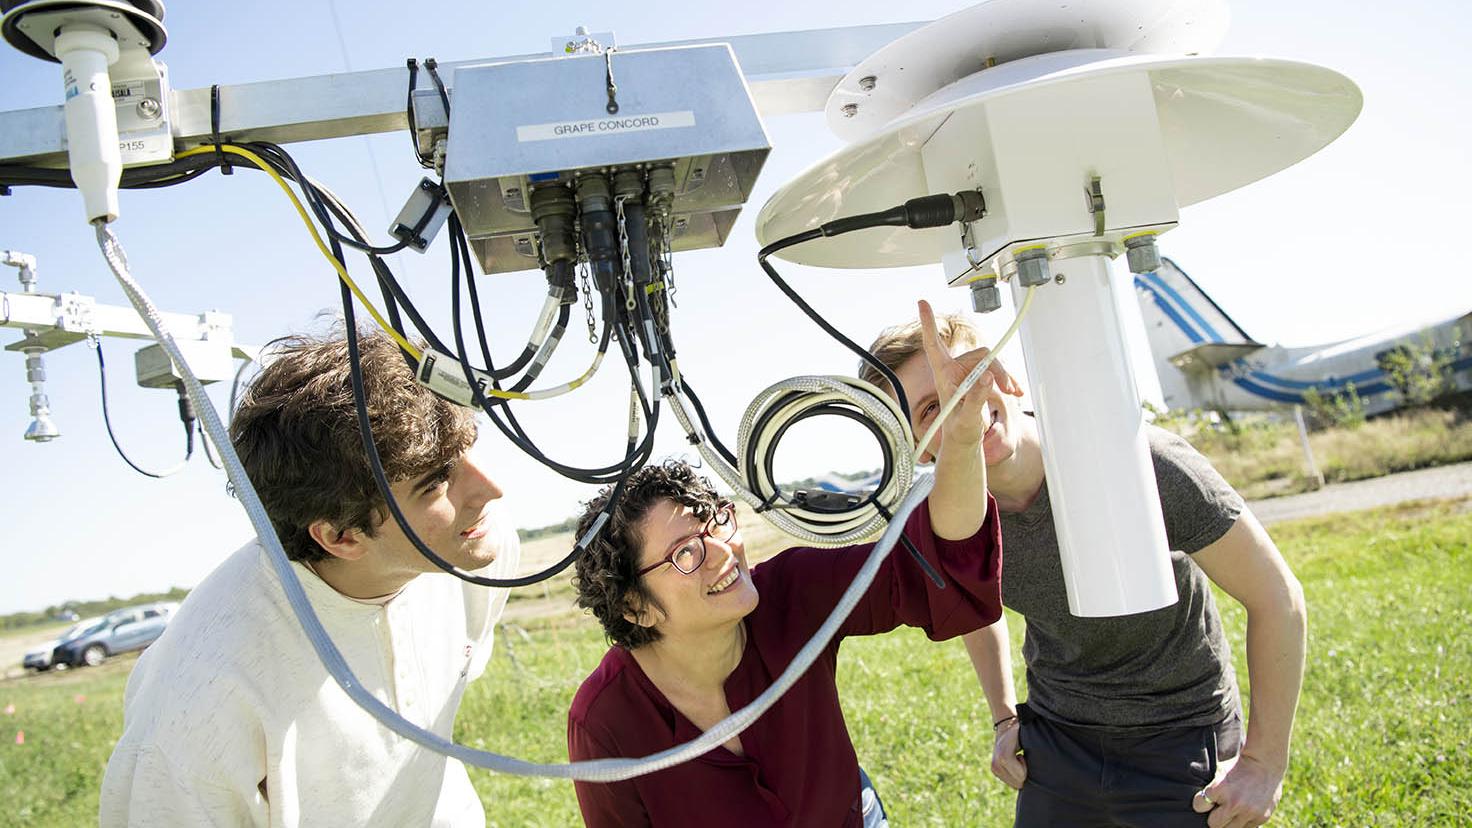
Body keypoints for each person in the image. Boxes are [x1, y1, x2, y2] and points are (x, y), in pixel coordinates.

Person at [564, 302, 1013, 827]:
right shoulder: (605, 722)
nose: (722, 550)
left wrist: (960, 443)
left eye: (717, 521)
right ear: (636, 608)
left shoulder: (791, 592)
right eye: (686, 553)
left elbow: (939, 567)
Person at [862, 306, 1307, 828]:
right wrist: (1006, 717)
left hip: (1183, 733)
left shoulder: (1139, 462)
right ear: (915, 445)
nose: (966, 409)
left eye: (970, 381)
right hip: (1058, 741)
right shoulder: (945, 519)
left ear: (1003, 375)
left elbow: (1278, 597)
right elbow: (975, 607)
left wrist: (1263, 763)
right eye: (932, 407)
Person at [100, 330, 521, 826]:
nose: (491, 488)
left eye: (469, 448)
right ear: (341, 537)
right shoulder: (199, 702)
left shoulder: (473, 555)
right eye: (436, 482)